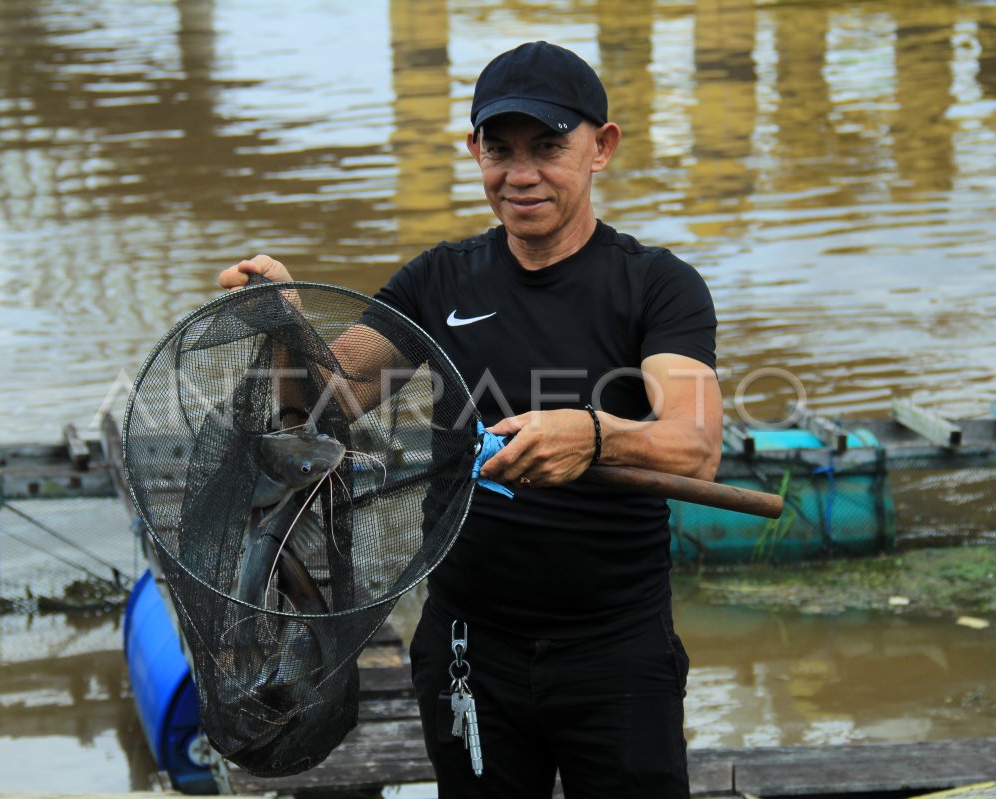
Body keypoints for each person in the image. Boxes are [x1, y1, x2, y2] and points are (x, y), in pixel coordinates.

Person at [219, 41, 721, 799]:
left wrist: (591, 434)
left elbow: (694, 445)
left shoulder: (657, 287)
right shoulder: (440, 279)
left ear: (602, 147)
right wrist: (285, 319)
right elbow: (328, 399)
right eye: (500, 149)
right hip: (467, 644)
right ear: (473, 151)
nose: (521, 175)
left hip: (615, 646)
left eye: (549, 147)